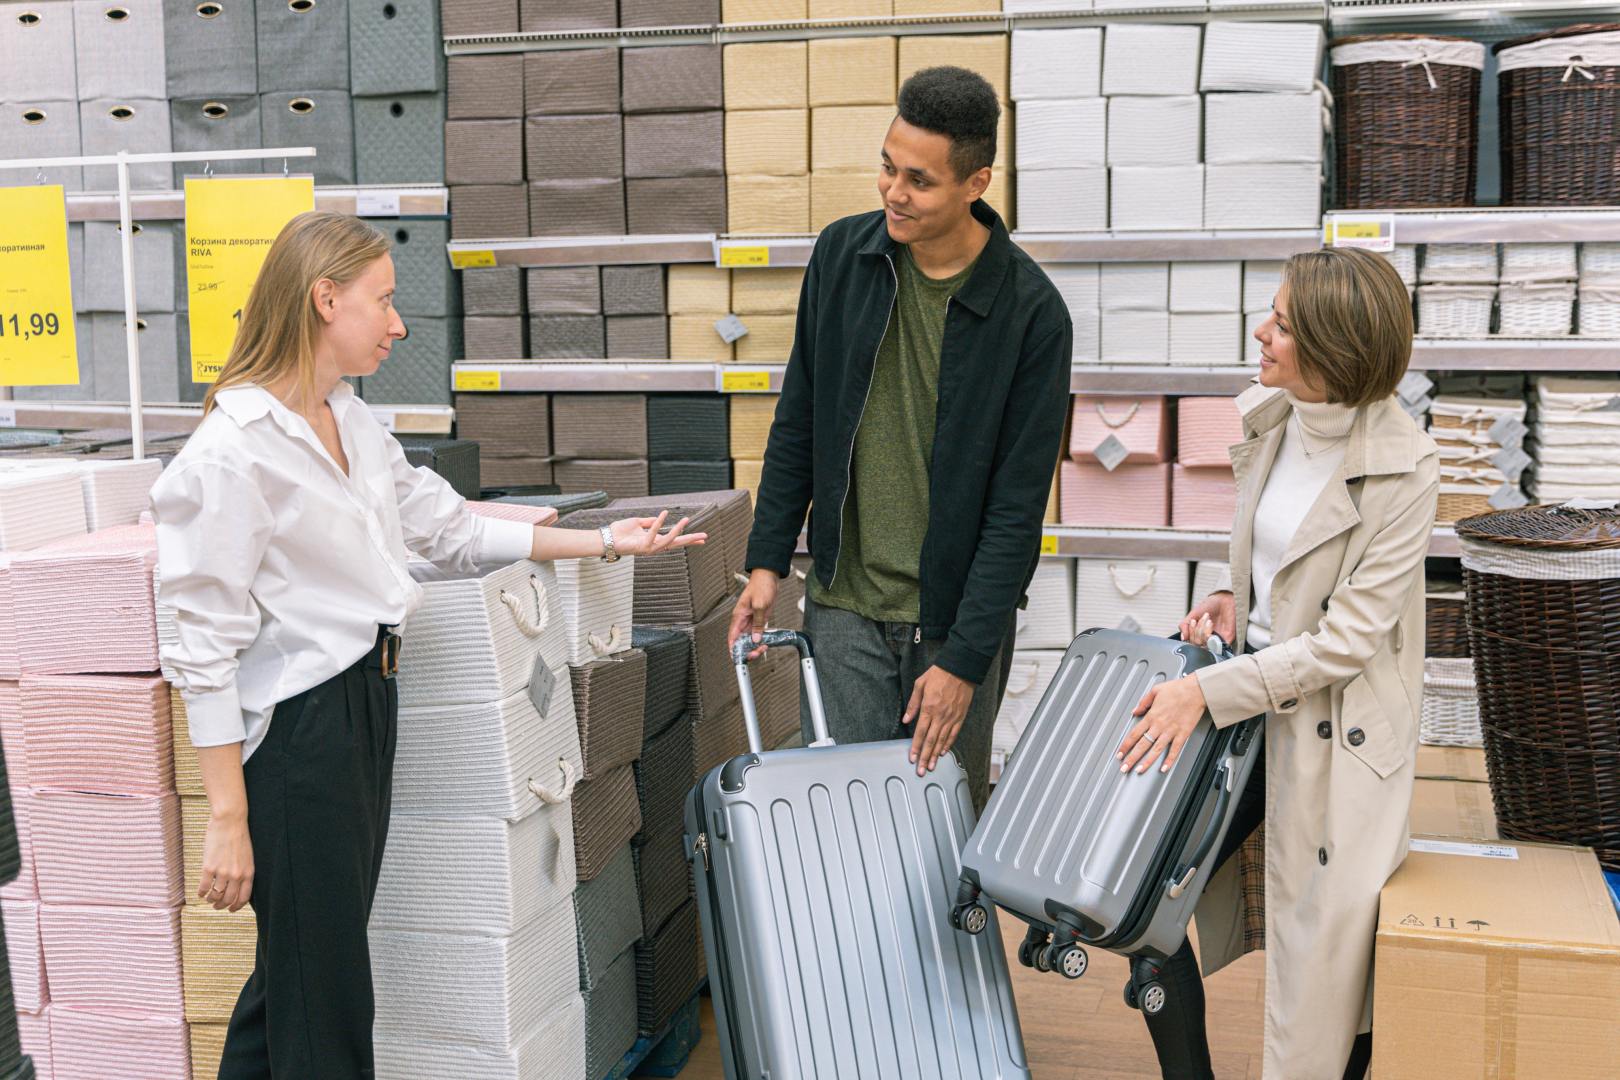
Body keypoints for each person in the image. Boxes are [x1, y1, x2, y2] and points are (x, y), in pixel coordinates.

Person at [151, 211, 704, 1079]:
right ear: (324, 298)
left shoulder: (349, 423)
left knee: (301, 974)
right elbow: (198, 647)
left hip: (366, 705)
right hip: (301, 737)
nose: (399, 323)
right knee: (326, 994)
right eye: (384, 301)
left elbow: (448, 528)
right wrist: (227, 818)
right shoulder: (231, 456)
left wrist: (603, 542)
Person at [1116, 247, 1438, 1080]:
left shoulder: (1406, 467)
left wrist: (1202, 692)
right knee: (1140, 903)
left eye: (1284, 324)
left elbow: (1344, 643)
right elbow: (1277, 565)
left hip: (1338, 740)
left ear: (1334, 348)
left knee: (1330, 971)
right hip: (1251, 706)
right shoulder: (1273, 417)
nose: (1261, 331)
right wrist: (1237, 602)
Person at [728, 66, 1072, 811]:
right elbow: (801, 418)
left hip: (951, 628)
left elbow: (1017, 511)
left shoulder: (1033, 315)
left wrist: (967, 661)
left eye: (919, 180)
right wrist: (766, 561)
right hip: (844, 605)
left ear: (976, 182)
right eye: (888, 167)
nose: (893, 191)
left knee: (940, 834)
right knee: (855, 834)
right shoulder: (843, 259)